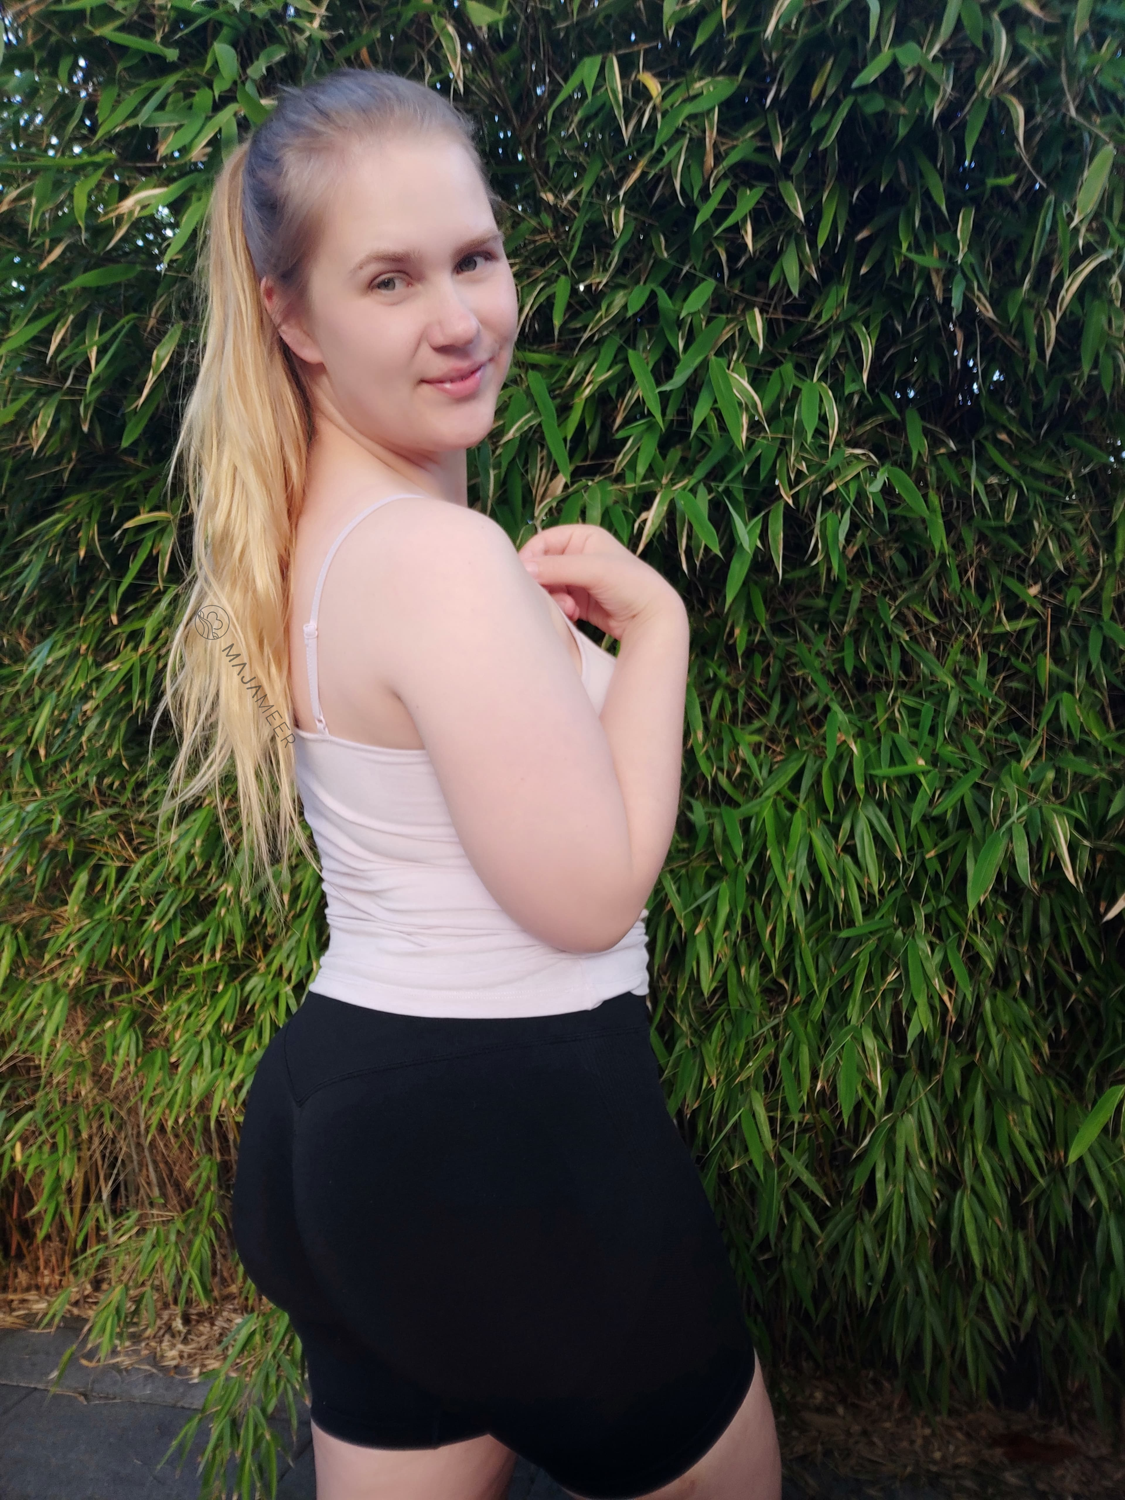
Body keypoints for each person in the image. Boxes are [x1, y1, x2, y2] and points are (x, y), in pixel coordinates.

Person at [159, 68, 782, 1500]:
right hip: (511, 1133)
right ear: (291, 316)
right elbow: (589, 896)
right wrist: (660, 636)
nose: (460, 319)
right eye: (390, 280)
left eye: (475, 258)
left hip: (353, 1120)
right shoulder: (439, 557)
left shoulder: (316, 533)